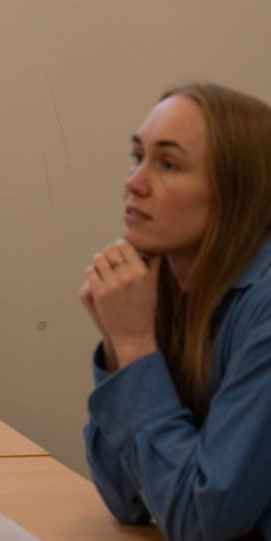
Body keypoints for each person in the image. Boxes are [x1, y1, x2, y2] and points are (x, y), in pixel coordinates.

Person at [80, 84, 271, 541]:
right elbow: (127, 499)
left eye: (167, 164)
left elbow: (203, 524)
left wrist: (133, 343)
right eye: (137, 156)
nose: (134, 183)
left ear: (236, 192)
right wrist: (118, 346)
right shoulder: (164, 286)